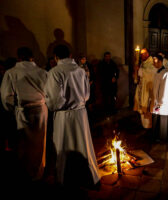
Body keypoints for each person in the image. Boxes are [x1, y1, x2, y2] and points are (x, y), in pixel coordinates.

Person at [44, 45, 100, 187]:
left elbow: (55, 100)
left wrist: (50, 105)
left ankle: (65, 179)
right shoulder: (80, 71)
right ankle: (87, 176)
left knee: (64, 146)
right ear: (70, 55)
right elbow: (87, 95)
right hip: (81, 114)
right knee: (83, 145)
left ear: (56, 57)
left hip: (64, 116)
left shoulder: (55, 72)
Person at [1, 47, 48, 181]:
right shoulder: (42, 72)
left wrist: (14, 108)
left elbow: (6, 96)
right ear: (32, 57)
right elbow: (49, 92)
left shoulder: (11, 72)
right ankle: (39, 172)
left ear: (19, 58)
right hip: (40, 109)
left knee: (23, 143)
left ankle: (25, 174)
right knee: (40, 143)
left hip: (22, 111)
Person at [151, 54, 168, 142]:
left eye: (155, 61)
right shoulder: (158, 72)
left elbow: (165, 89)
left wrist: (160, 102)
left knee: (163, 120)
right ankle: (157, 136)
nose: (153, 63)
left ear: (160, 62)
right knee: (157, 119)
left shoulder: (165, 73)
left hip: (162, 101)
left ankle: (163, 138)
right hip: (157, 100)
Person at [134, 48, 157, 129]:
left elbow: (151, 73)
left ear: (147, 54)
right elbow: (138, 75)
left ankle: (148, 126)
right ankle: (144, 125)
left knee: (146, 106)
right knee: (141, 107)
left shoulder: (152, 62)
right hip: (141, 87)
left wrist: (139, 70)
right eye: (140, 54)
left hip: (147, 88)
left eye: (143, 54)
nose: (141, 55)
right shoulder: (143, 63)